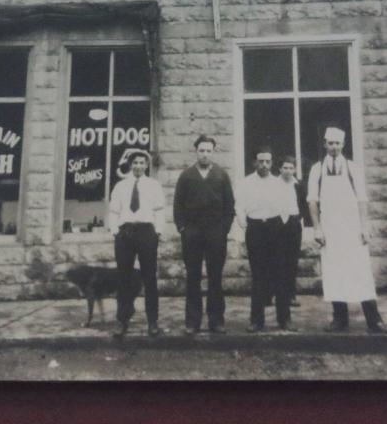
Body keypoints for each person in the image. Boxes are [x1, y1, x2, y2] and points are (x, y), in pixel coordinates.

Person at [306, 127, 387, 333]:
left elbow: (362, 198)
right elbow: (312, 201)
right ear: (325, 144)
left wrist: (364, 226)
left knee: (360, 271)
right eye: (330, 143)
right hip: (330, 228)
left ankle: (374, 320)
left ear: (343, 145)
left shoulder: (353, 168)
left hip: (352, 228)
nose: (334, 147)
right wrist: (317, 229)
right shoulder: (317, 169)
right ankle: (339, 319)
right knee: (334, 272)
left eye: (338, 143)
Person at [173, 134, 236, 335]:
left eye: (208, 150)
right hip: (192, 233)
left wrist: (224, 229)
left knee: (215, 277)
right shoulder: (186, 176)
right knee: (193, 277)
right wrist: (183, 229)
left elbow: (229, 206)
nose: (205, 154)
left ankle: (216, 321)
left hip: (215, 233)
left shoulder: (221, 175)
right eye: (202, 150)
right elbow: (177, 206)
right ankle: (193, 322)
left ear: (213, 152)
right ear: (196, 151)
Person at [236, 147, 294, 332]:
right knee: (258, 275)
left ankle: (284, 320)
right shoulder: (246, 183)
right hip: (255, 229)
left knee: (280, 274)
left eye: (268, 162)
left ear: (272, 163)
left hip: (275, 228)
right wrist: (243, 223)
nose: (264, 165)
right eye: (261, 161)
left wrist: (281, 225)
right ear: (255, 162)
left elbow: (286, 206)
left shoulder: (279, 183)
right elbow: (239, 206)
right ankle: (256, 320)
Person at [108, 149, 165, 338]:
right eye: (135, 163)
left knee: (149, 278)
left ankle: (152, 321)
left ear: (147, 165)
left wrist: (157, 232)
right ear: (130, 165)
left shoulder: (154, 186)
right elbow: (114, 211)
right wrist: (115, 231)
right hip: (125, 232)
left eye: (142, 163)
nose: (138, 166)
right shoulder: (121, 186)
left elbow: (160, 211)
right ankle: (122, 321)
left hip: (146, 232)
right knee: (123, 278)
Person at [277, 157, 305, 313]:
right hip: (277, 224)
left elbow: (303, 205)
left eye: (290, 168)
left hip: (293, 224)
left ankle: (290, 295)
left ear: (294, 170)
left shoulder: (298, 185)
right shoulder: (274, 184)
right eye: (285, 168)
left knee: (292, 261)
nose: (287, 171)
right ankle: (274, 294)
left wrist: (297, 218)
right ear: (280, 169)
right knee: (277, 260)